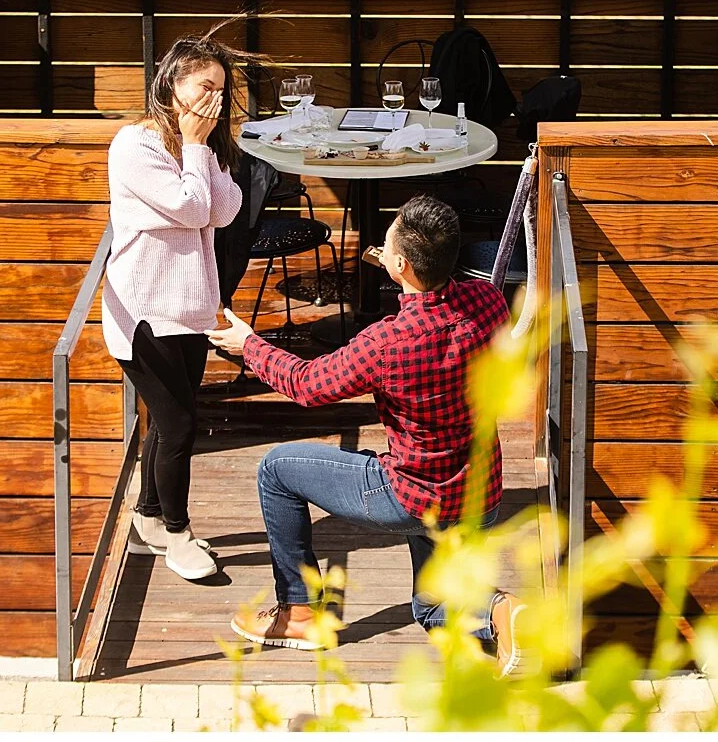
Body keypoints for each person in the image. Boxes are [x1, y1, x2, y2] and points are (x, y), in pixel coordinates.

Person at [206, 194, 528, 674]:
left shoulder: (388, 342)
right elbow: (439, 295)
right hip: (480, 495)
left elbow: (307, 384)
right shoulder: (489, 301)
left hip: (414, 495)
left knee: (277, 470)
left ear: (401, 264)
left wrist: (249, 345)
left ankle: (298, 614)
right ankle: (503, 610)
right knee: (431, 610)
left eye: (390, 242)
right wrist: (402, 272)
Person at [102, 33, 246, 582]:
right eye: (205, 87)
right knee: (180, 424)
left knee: (167, 424)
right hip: (143, 312)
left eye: (221, 91)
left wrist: (202, 148)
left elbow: (224, 210)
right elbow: (191, 208)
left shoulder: (196, 146)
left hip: (189, 307)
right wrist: (194, 149)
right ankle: (179, 536)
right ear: (172, 84)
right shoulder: (134, 146)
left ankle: (149, 517)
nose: (214, 100)